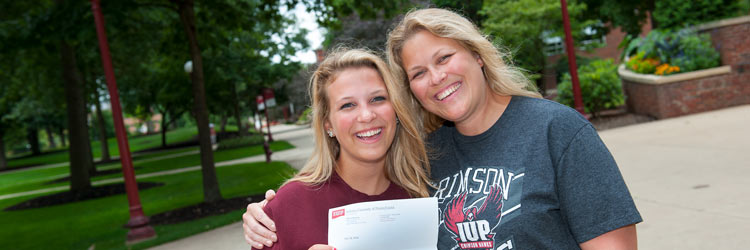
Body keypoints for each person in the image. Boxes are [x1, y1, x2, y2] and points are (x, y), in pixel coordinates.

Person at [244, 8, 642, 250]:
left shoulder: (557, 131)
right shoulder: (427, 159)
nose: (436, 78)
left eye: (444, 57)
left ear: (477, 55)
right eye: (418, 72)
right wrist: (270, 212)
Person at [243, 48, 432, 249]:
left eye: (377, 99)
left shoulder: (421, 193)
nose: (366, 115)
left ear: (396, 109)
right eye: (348, 105)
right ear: (328, 124)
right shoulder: (289, 206)